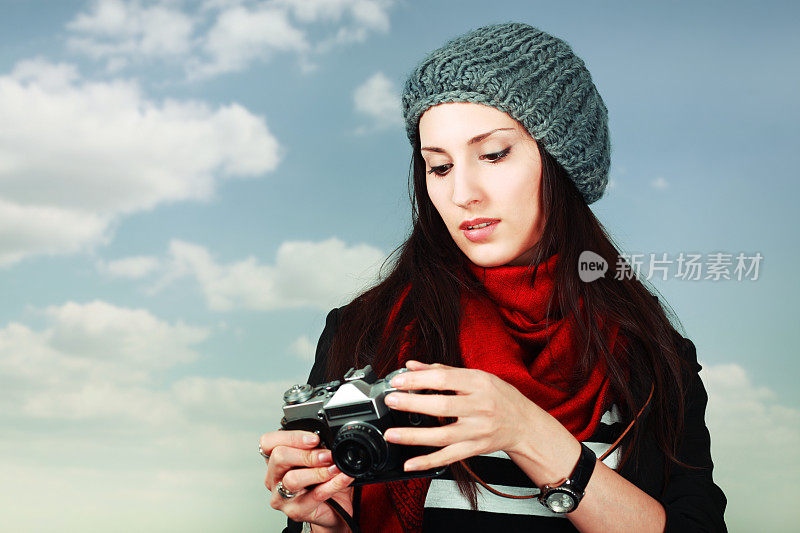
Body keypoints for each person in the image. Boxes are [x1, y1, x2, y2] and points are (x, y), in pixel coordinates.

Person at [259, 21, 728, 533]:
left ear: (562, 162)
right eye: (439, 167)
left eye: (493, 154)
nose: (463, 193)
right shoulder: (365, 330)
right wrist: (328, 524)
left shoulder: (651, 355)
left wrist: (526, 431)